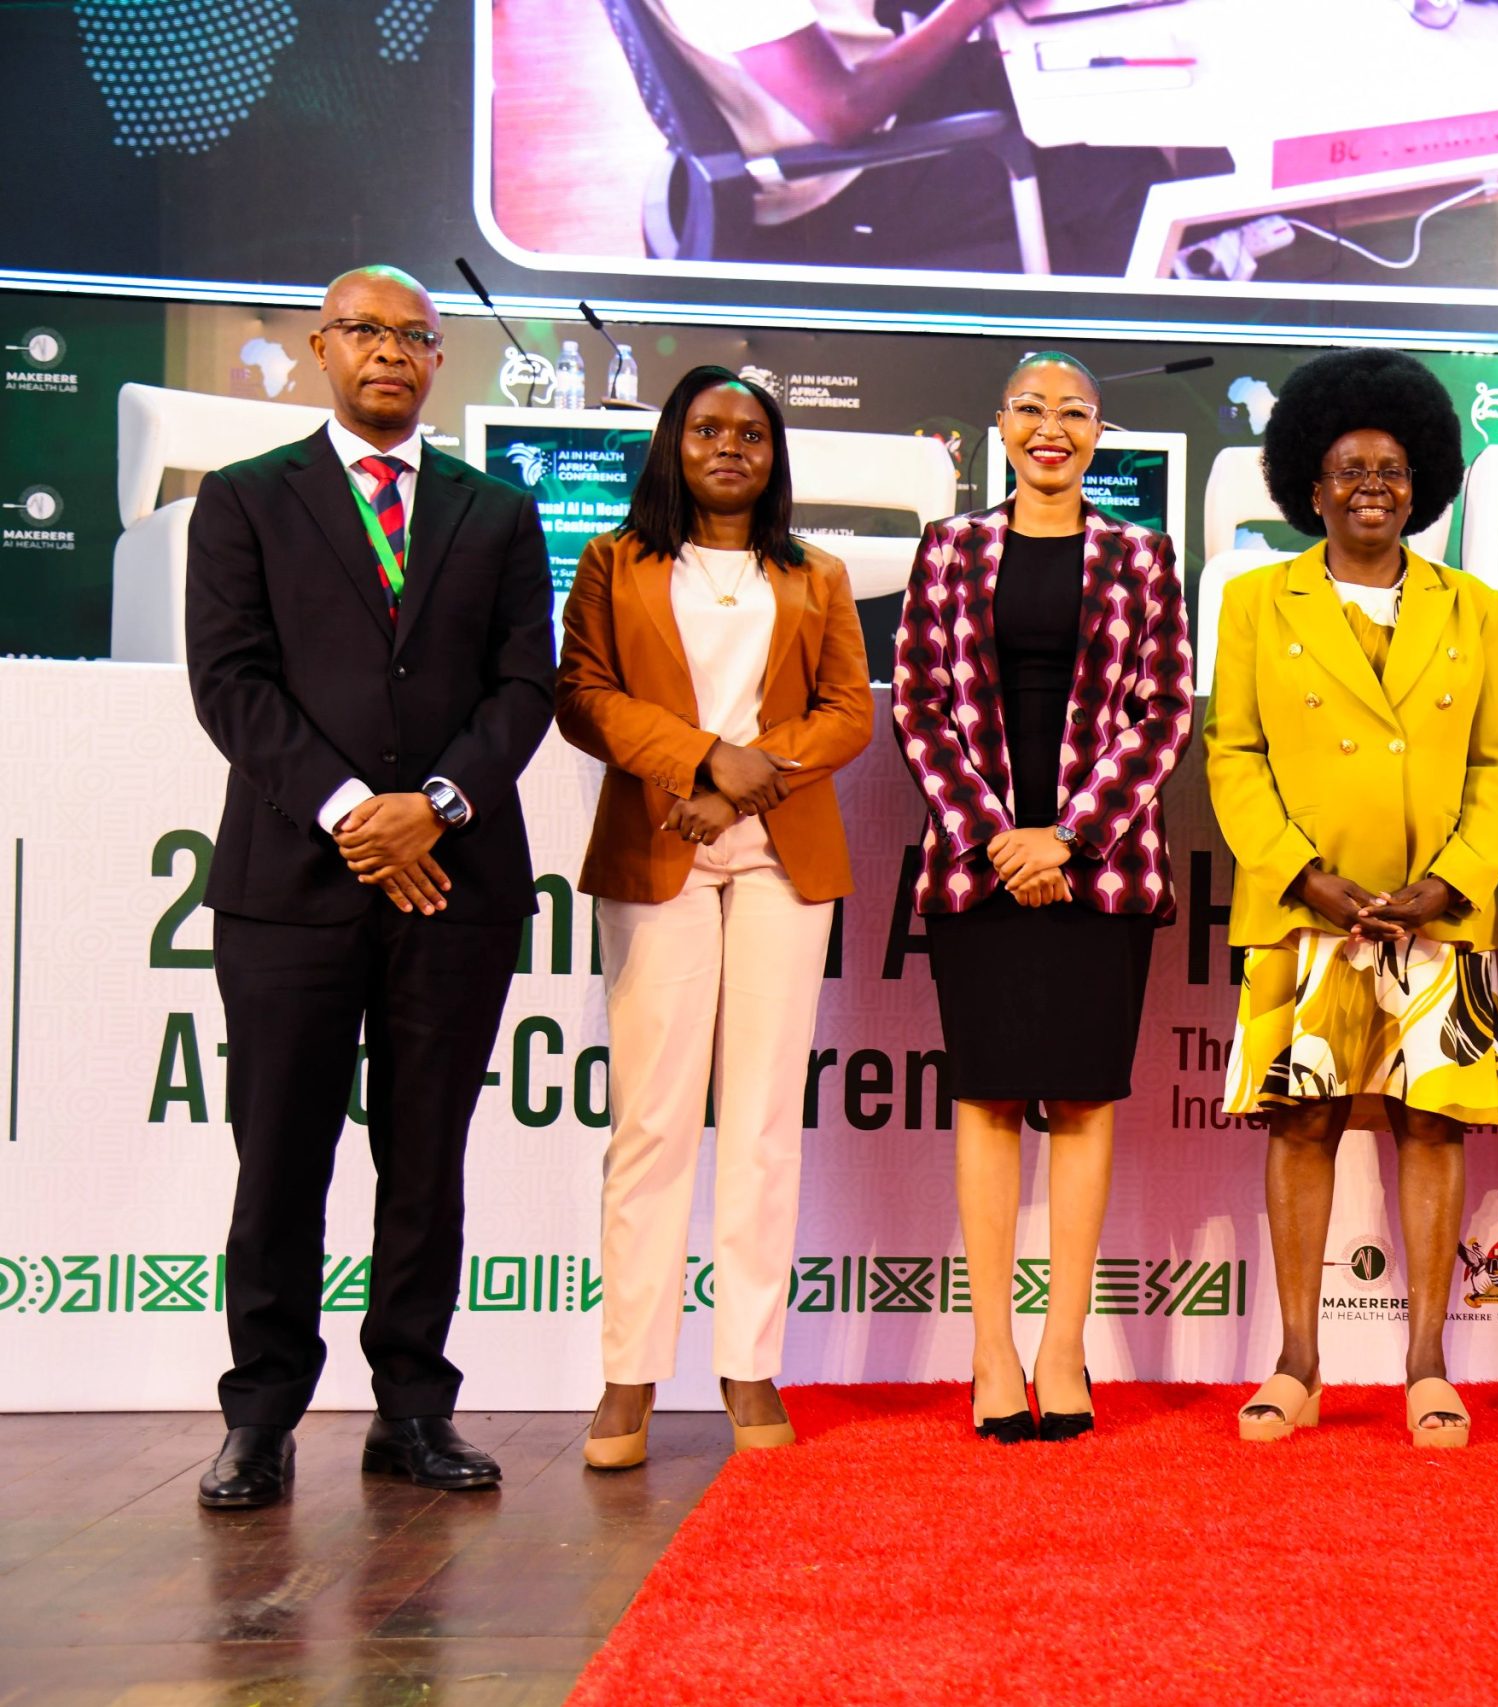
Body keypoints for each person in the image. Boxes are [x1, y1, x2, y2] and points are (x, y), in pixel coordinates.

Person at [184, 265, 555, 1508]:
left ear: (439, 360)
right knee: (278, 1154)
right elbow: (232, 684)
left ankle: (412, 1410)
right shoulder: (243, 502)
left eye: (412, 336)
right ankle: (261, 1416)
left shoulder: (497, 514)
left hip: (455, 885)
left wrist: (433, 810)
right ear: (319, 349)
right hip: (293, 882)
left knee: (425, 1156)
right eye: (364, 333)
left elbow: (523, 693)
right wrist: (356, 817)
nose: (388, 352)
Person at [1204, 347, 1498, 1449]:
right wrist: (1307, 876)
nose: (1371, 488)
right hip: (1305, 916)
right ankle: (1296, 1364)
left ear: (1420, 480)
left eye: (1390, 469)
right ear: (1310, 485)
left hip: (1436, 917)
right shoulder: (1256, 600)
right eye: (1348, 471)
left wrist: (1451, 881)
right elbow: (1231, 754)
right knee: (1301, 1128)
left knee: (1432, 1129)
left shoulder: (1470, 608)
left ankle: (1427, 1367)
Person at [556, 366, 872, 1469]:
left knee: (761, 1120)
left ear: (776, 454)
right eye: (708, 428)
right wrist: (697, 758)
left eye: (751, 432)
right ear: (672, 444)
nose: (731, 446)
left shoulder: (817, 573)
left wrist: (744, 776)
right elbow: (585, 697)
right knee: (650, 1120)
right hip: (658, 849)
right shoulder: (613, 563)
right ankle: (628, 1374)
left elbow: (847, 713)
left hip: (781, 852)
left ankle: (748, 1363)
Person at [892, 352, 1192, 1443]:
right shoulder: (949, 549)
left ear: (1098, 432)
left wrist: (1063, 837)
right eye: (1031, 410)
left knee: (1079, 1098)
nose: (1050, 428)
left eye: (1073, 412)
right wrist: (997, 837)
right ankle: (989, 1349)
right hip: (977, 868)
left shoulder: (1142, 556)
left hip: (1097, 870)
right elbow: (919, 708)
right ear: (1000, 428)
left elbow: (1161, 715)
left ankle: (1062, 1346)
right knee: (981, 1097)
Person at [635, 0, 1168, 274]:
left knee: (1105, 92)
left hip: (872, 101)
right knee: (1123, 175)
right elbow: (840, 112)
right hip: (843, 179)